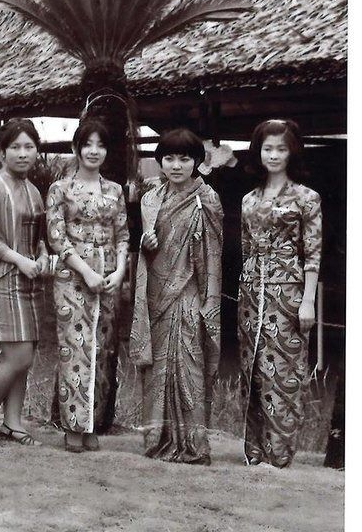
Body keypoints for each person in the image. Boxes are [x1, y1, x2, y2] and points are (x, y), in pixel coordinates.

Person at [130, 128, 223, 465]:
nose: (177, 165)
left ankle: (193, 445)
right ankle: (157, 440)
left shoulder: (207, 200)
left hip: (189, 295)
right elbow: (144, 247)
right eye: (169, 158)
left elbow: (213, 256)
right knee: (156, 369)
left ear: (197, 162)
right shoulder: (150, 200)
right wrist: (145, 245)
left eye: (185, 158)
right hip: (156, 296)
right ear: (160, 162)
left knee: (189, 365)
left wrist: (206, 302)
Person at [238, 119, 321, 468]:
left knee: (284, 370)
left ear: (292, 152)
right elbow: (244, 249)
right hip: (250, 294)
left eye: (281, 148)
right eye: (268, 148)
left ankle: (280, 453)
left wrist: (307, 300)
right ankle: (253, 451)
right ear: (259, 152)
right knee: (253, 368)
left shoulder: (306, 198)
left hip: (288, 294)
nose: (274, 155)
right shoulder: (248, 199)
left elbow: (313, 253)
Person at [47, 119, 128, 453]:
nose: (94, 151)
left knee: (102, 349)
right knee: (74, 348)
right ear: (76, 148)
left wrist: (120, 271)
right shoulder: (60, 189)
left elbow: (123, 234)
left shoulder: (115, 191)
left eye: (101, 145)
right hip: (72, 278)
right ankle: (73, 427)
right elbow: (56, 237)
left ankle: (93, 423)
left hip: (108, 277)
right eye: (88, 144)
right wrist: (85, 272)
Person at [0, 118, 54, 447]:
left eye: (29, 147)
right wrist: (18, 259)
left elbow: (40, 236)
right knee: (15, 355)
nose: (23, 154)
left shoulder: (34, 191)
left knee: (27, 354)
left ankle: (13, 422)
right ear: (2, 151)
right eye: (15, 147)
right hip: (3, 278)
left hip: (32, 279)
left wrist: (44, 255)